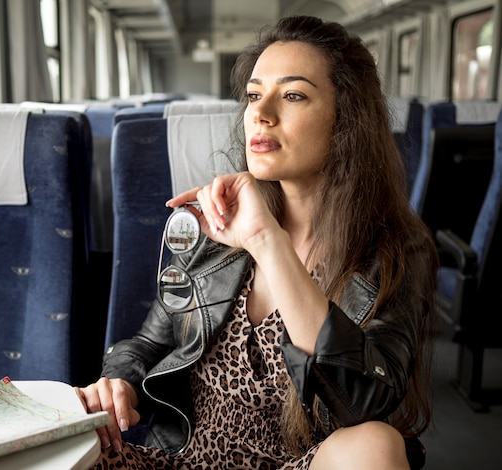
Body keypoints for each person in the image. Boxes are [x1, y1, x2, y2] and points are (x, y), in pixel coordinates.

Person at [75, 15, 438, 469]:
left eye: (292, 95)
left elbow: (362, 404)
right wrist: (119, 384)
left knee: (377, 446)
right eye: (252, 95)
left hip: (301, 464)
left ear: (347, 117)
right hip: (180, 463)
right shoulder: (215, 223)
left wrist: (268, 241)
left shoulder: (396, 250)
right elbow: (146, 346)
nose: (260, 113)